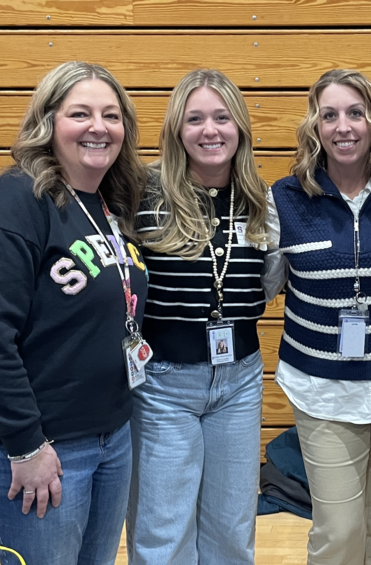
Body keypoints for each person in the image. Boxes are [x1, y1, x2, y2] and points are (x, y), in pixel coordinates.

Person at [0, 61, 148, 565]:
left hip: (107, 434)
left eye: (111, 114)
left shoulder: (104, 202)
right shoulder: (10, 206)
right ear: (48, 123)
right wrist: (26, 446)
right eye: (80, 113)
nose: (99, 126)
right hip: (33, 444)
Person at [264, 69, 371, 565]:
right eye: (329, 115)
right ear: (314, 127)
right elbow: (264, 283)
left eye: (356, 113)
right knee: (339, 530)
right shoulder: (285, 199)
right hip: (322, 390)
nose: (343, 126)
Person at [127, 69, 270, 565]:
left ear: (240, 127)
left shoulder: (261, 200)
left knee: (232, 531)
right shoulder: (142, 194)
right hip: (163, 382)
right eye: (195, 119)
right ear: (176, 130)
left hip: (240, 381)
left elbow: (269, 282)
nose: (210, 130)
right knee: (164, 532)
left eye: (221, 117)